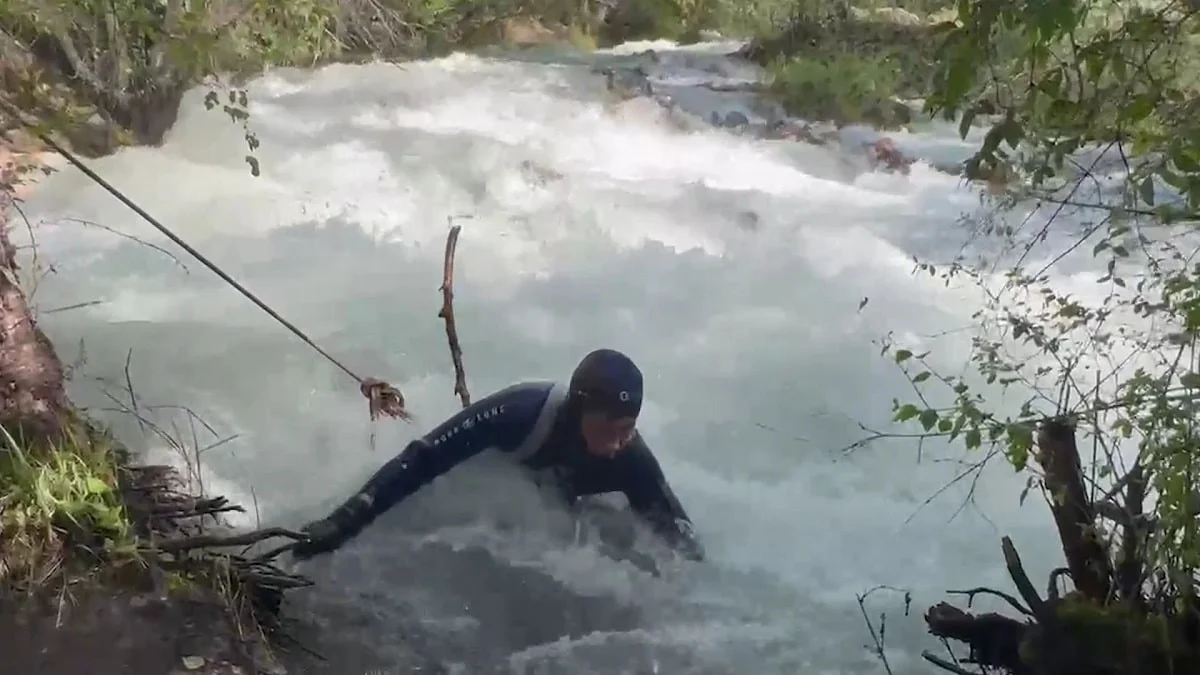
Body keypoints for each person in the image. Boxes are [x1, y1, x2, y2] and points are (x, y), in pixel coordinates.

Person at [291, 348, 705, 562]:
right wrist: (344, 521)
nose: (621, 442)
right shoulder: (521, 413)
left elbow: (678, 533)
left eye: (629, 428)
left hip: (568, 511)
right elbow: (424, 459)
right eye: (610, 429)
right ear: (580, 409)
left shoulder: (632, 459)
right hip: (505, 493)